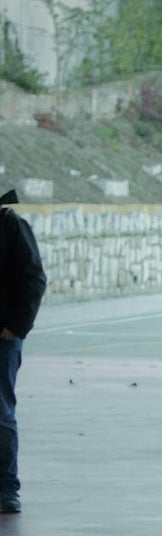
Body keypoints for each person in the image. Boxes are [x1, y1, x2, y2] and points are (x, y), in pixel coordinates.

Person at [0, 191, 47, 514]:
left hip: (2, 337)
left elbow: (34, 279)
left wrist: (16, 327)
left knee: (1, 413)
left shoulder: (11, 227)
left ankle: (6, 489)